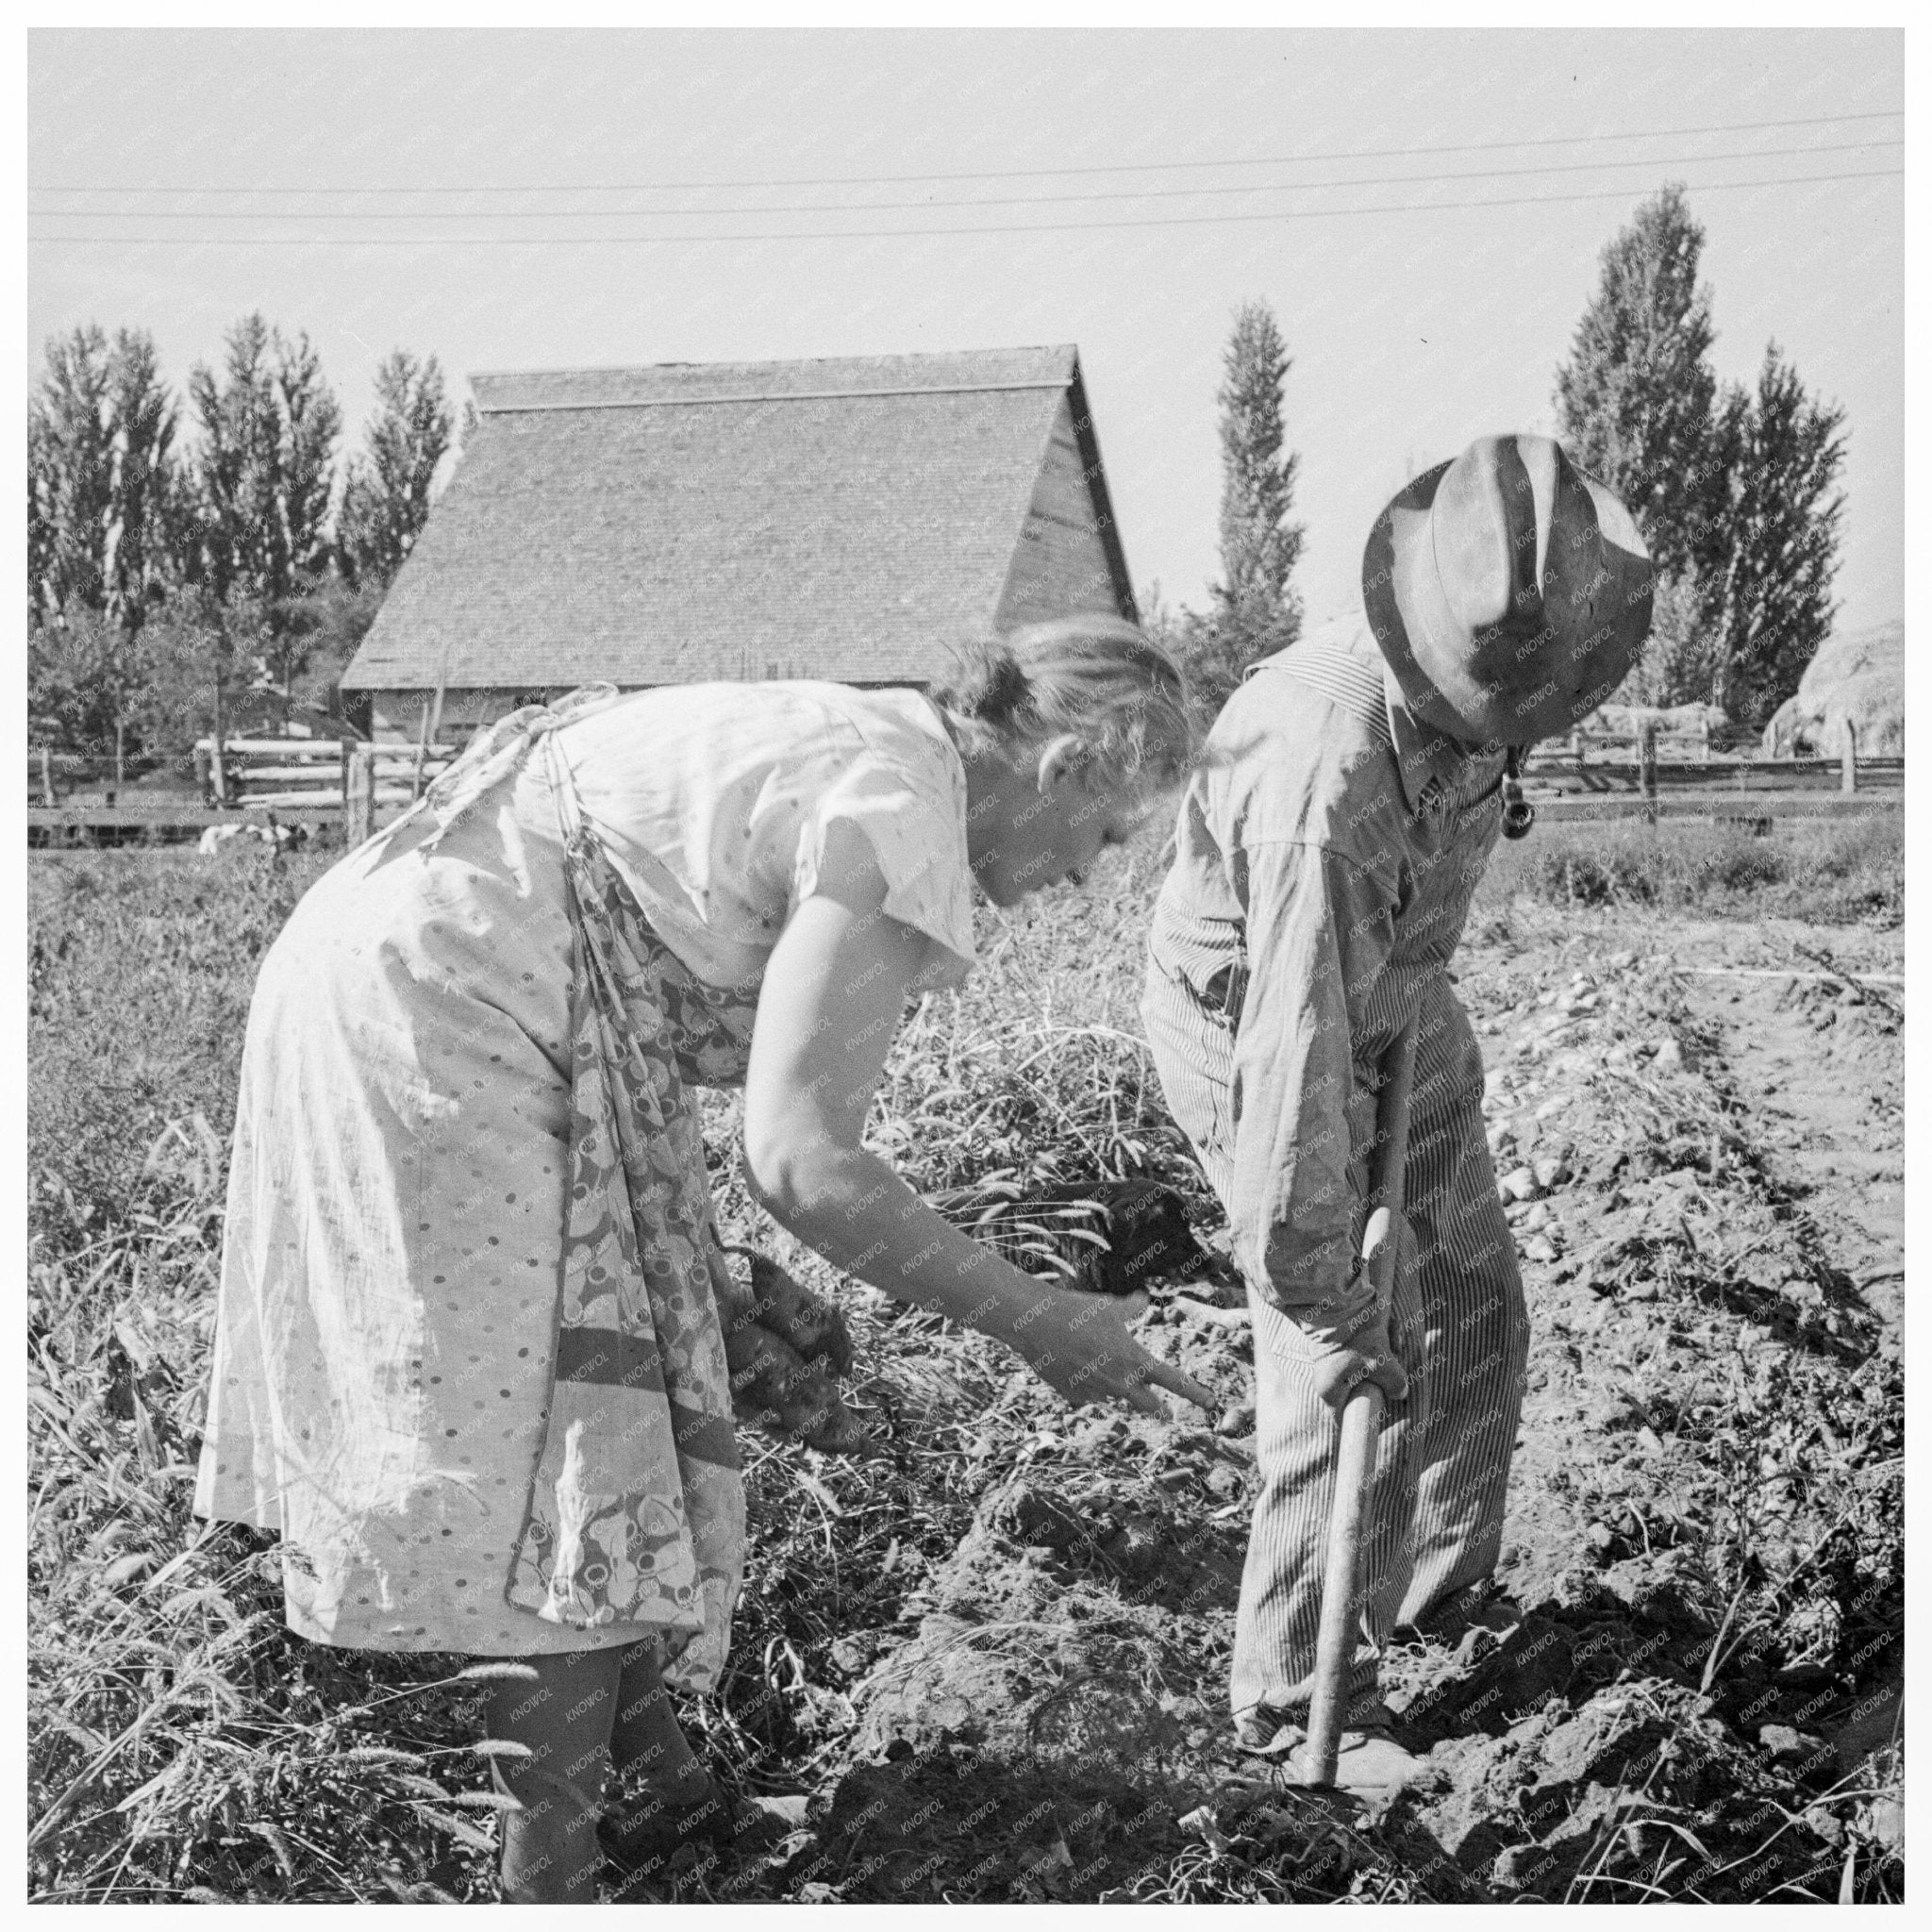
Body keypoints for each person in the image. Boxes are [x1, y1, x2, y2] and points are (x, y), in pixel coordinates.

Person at [193, 613, 1214, 1900]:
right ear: (1066, 767)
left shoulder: (881, 750)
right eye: (1108, 837)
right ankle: (544, 1877)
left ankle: (671, 1792)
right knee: (566, 1452)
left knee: (610, 1398)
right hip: (450, 1008)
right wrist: (1039, 1318)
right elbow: (801, 1159)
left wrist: (706, 1282)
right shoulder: (896, 803)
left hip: (432, 969)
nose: (1083, 878)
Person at [1141, 435, 1653, 1790]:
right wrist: (1330, 1287)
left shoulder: (1491, 656)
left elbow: (1388, 958)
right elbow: (1297, 1070)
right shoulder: (1329, 786)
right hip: (1260, 1020)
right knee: (1345, 1348)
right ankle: (1294, 1699)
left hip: (1395, 997)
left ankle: (1423, 1609)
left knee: (1472, 1292)